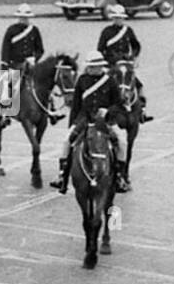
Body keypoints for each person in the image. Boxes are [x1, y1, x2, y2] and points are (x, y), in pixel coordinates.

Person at [49, 51, 129, 194]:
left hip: (106, 120)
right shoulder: (82, 80)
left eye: (97, 66)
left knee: (122, 143)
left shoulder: (110, 81)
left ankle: (119, 177)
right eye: (92, 66)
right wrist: (72, 125)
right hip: (84, 118)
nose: (94, 69)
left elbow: (118, 104)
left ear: (101, 67)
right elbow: (76, 106)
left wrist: (108, 111)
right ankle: (62, 176)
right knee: (66, 141)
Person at [97, 4, 152, 122]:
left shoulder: (128, 31)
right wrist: (106, 62)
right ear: (113, 18)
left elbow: (136, 46)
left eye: (120, 18)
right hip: (112, 64)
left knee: (139, 84)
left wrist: (134, 57)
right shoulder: (106, 31)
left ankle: (142, 110)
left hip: (126, 63)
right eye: (116, 17)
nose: (118, 20)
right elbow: (100, 49)